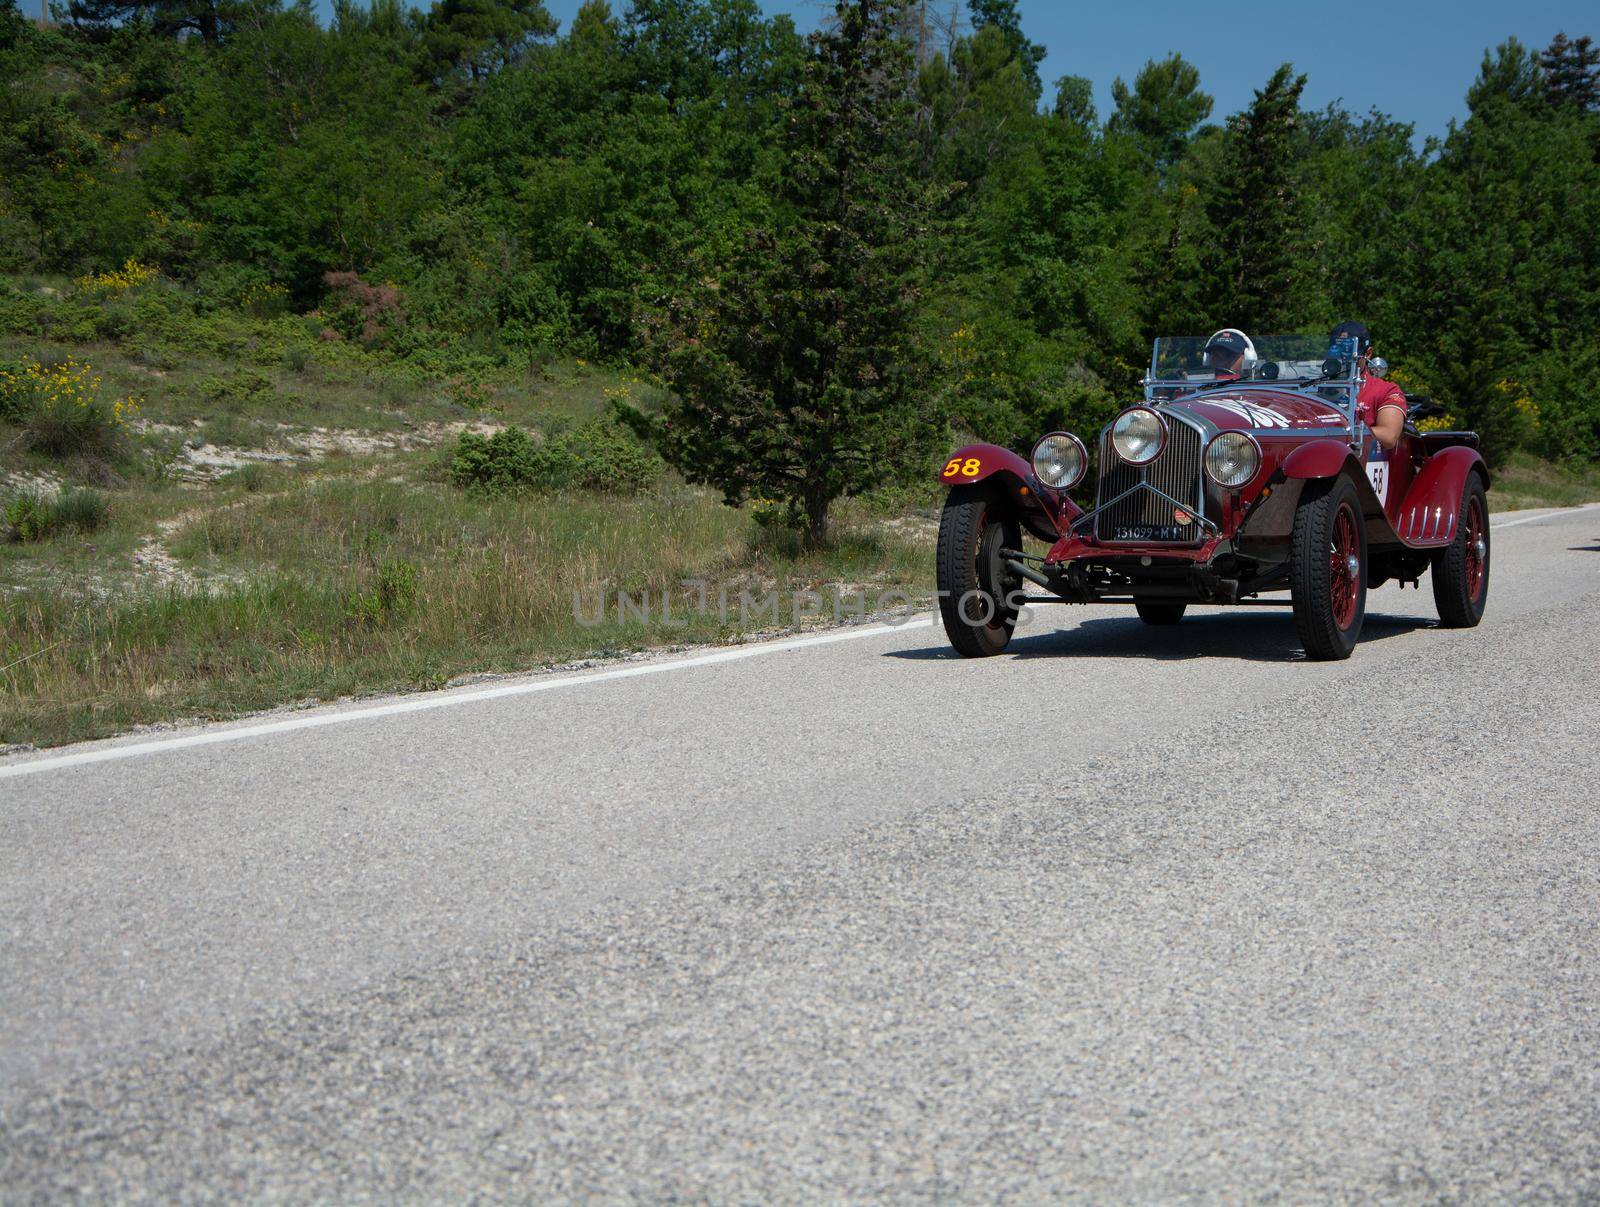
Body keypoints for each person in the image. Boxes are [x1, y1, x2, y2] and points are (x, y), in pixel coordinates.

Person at [1330, 320, 1406, 451]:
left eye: (1349, 352)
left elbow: (1389, 436)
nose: (1342, 358)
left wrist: (1341, 434)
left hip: (1362, 464)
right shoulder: (1315, 389)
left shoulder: (1386, 391)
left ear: (1368, 353)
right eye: (1337, 350)